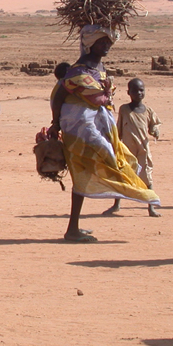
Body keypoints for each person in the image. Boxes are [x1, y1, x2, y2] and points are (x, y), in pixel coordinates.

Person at [49, 25, 160, 242]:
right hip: (81, 129)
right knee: (101, 164)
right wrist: (56, 123)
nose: (106, 46)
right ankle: (72, 229)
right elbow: (60, 94)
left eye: (108, 42)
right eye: (101, 42)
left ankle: (74, 227)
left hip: (95, 126)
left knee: (87, 173)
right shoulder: (79, 70)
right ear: (90, 44)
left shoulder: (98, 67)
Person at [102, 78, 163, 217]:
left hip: (143, 150)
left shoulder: (148, 111)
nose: (139, 93)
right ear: (129, 92)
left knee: (147, 178)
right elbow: (119, 128)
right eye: (135, 91)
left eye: (141, 90)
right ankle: (116, 205)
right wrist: (114, 144)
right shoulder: (124, 109)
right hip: (127, 150)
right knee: (122, 176)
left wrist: (155, 130)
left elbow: (155, 124)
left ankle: (151, 207)